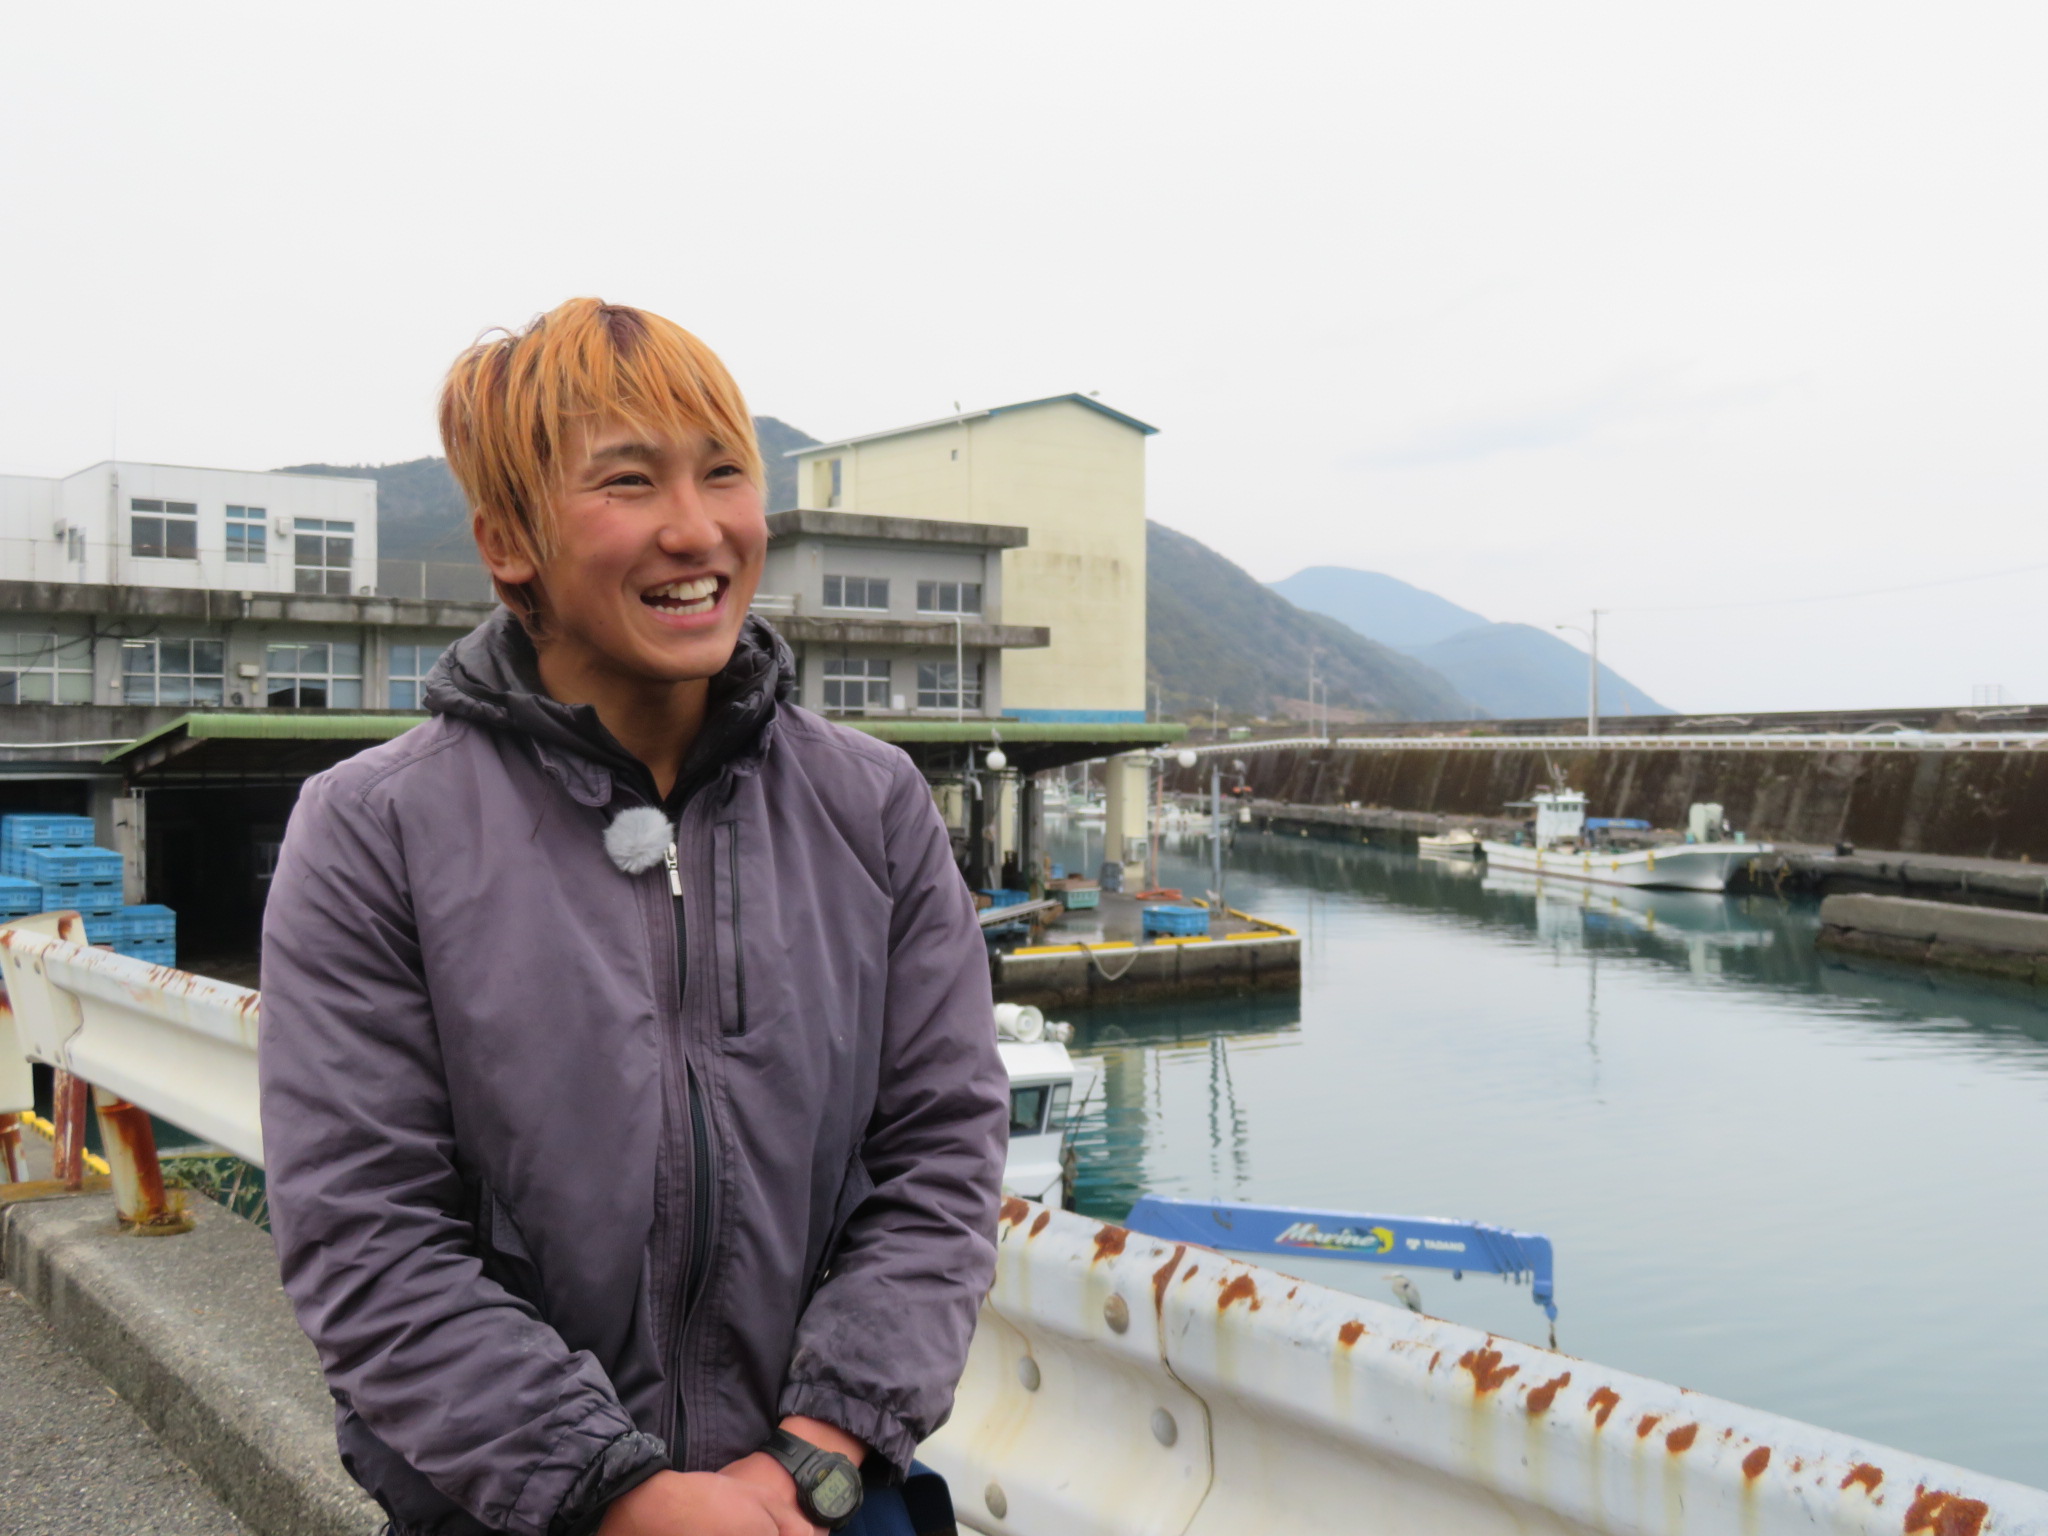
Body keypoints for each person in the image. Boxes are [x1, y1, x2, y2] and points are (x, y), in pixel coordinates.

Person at [258, 298, 1009, 1536]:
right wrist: (616, 1496)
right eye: (628, 481)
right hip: (514, 1508)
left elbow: (940, 1159)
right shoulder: (375, 828)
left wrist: (813, 1454)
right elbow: (365, 1230)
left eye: (724, 474)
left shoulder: (871, 806)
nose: (695, 528)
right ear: (510, 545)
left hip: (816, 1496)